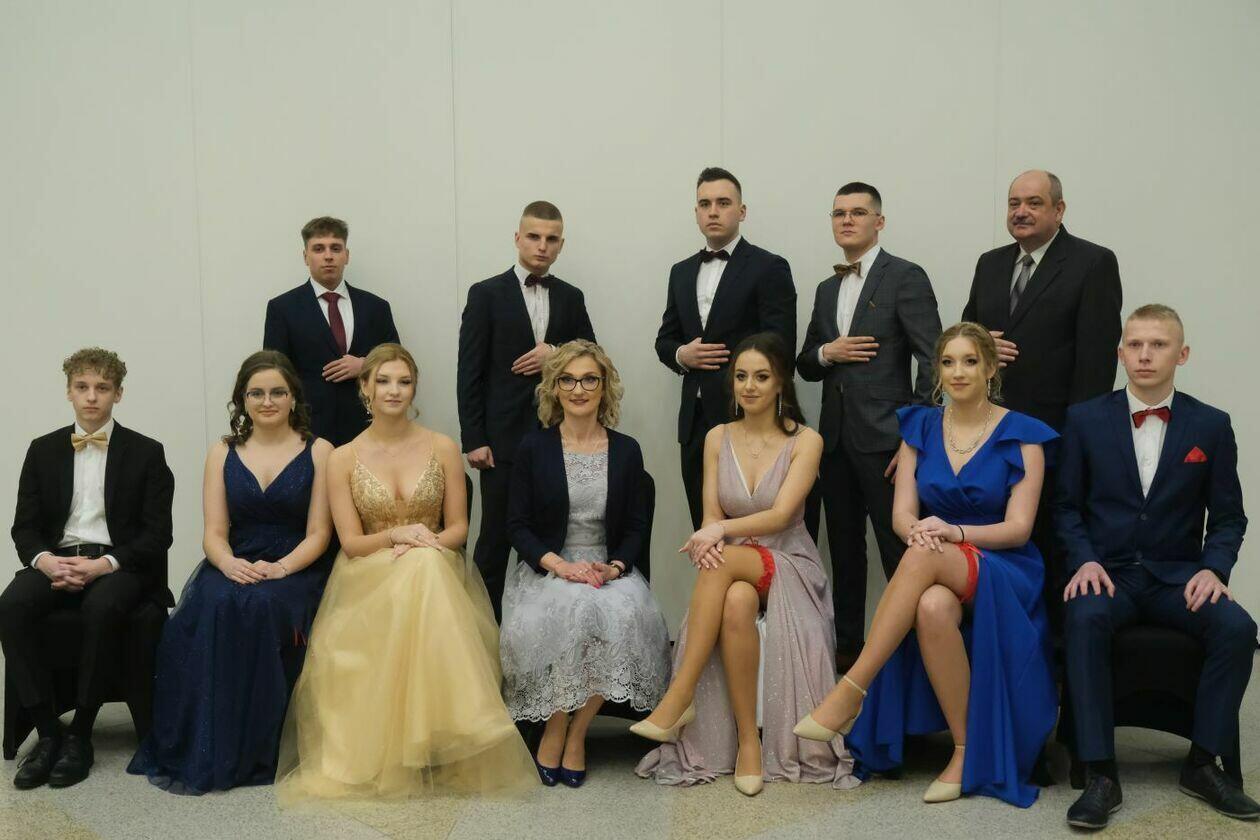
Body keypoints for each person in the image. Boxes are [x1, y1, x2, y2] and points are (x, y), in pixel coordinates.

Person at [796, 323, 1058, 808]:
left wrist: (952, 532)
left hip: (1004, 565)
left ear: (991, 368)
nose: (958, 372)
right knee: (933, 606)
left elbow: (1019, 529)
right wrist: (921, 532)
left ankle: (852, 688)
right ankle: (964, 749)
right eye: (948, 362)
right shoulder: (918, 427)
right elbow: (901, 516)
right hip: (937, 555)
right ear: (936, 371)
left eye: (970, 361)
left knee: (923, 554)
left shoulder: (1024, 435)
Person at [275, 343, 535, 800]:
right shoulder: (342, 458)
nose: (394, 391)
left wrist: (423, 544)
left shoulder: (443, 446)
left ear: (415, 389)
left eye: (404, 381)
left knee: (425, 567)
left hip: (436, 560)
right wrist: (397, 536)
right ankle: (450, 727)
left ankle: (440, 733)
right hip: (368, 570)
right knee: (419, 571)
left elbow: (458, 528)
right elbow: (351, 543)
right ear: (365, 388)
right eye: (383, 381)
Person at [1057, 305, 1257, 828]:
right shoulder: (1085, 419)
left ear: (1181, 354)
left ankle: (1203, 763)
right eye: (1135, 344)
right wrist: (1083, 560)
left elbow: (1229, 517)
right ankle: (1100, 772)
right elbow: (1065, 507)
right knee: (1083, 617)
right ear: (1120, 352)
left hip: (1178, 577)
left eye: (1159, 345)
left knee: (1238, 628)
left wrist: (1213, 570)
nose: (1145, 355)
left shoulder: (1211, 425)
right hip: (1108, 573)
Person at [634, 333, 856, 797]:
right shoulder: (717, 436)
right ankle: (748, 748)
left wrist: (717, 534)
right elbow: (711, 513)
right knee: (735, 598)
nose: (749, 386)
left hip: (788, 562)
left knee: (720, 566)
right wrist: (712, 536)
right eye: (740, 376)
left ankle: (680, 694)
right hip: (733, 565)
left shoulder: (806, 441)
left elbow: (780, 516)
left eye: (761, 376)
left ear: (780, 383)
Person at [127, 351, 334, 794]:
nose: (267, 401)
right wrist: (227, 563)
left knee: (264, 606)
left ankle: (263, 748)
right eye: (256, 393)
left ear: (293, 397)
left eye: (277, 392)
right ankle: (212, 742)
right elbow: (214, 533)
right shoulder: (221, 451)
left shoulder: (320, 451)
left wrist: (281, 567)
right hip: (234, 560)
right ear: (242, 399)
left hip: (296, 565)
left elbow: (319, 534)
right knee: (219, 602)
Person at [501, 340, 671, 788]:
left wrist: (614, 567)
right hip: (549, 569)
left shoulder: (627, 450)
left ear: (604, 387)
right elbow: (516, 525)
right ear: (554, 388)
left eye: (589, 380)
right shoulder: (533, 447)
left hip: (606, 570)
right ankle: (556, 727)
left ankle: (575, 733)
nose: (579, 389)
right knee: (574, 610)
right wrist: (560, 566)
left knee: (619, 614)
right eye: (568, 380)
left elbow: (636, 525)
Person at [2, 348, 174, 790]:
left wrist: (103, 565)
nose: (92, 397)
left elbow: (158, 535)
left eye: (102, 387)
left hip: (118, 563)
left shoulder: (147, 453)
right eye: (82, 387)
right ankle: (47, 731)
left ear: (118, 394)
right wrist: (45, 561)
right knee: (11, 606)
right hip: (57, 559)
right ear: (69, 392)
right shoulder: (42, 450)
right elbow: (24, 527)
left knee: (103, 607)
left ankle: (80, 733)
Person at [961, 170, 1122, 615]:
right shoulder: (990, 263)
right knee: (992, 549)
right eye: (1014, 203)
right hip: (987, 437)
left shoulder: (1093, 263)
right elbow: (964, 339)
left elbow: (1095, 364)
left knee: (1048, 546)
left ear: (1059, 209)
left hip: (1053, 438)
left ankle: (1050, 650)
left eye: (1034, 203)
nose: (1021, 212)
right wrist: (979, 344)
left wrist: (1077, 443)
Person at [797, 182, 941, 670]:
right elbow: (806, 363)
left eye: (858, 212)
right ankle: (848, 650)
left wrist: (914, 438)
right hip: (834, 439)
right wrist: (827, 351)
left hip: (888, 440)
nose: (847, 220)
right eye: (839, 213)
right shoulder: (826, 289)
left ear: (879, 221)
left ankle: (912, 657)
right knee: (843, 549)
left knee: (898, 549)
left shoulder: (905, 276)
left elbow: (934, 359)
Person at [458, 201, 597, 618]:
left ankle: (534, 632)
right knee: (494, 541)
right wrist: (474, 438)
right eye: (534, 237)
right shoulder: (485, 294)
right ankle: (485, 635)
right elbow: (470, 371)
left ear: (561, 245)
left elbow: (592, 354)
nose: (542, 246)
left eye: (551, 239)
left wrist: (554, 352)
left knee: (546, 539)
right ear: (517, 238)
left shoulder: (571, 296)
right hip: (500, 441)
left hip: (558, 436)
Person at [655, 167, 797, 529]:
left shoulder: (769, 266)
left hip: (750, 417)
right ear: (696, 212)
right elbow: (665, 339)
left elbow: (781, 346)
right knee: (705, 529)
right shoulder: (680, 271)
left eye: (723, 203)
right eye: (705, 204)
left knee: (755, 528)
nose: (713, 211)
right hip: (695, 422)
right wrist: (681, 355)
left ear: (742, 211)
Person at [264, 216, 401, 446]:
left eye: (335, 248)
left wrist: (365, 365)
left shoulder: (376, 307)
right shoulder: (282, 308)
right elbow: (273, 373)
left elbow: (398, 363)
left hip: (369, 428)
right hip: (306, 431)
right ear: (305, 256)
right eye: (319, 249)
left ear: (346, 255)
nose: (328, 256)